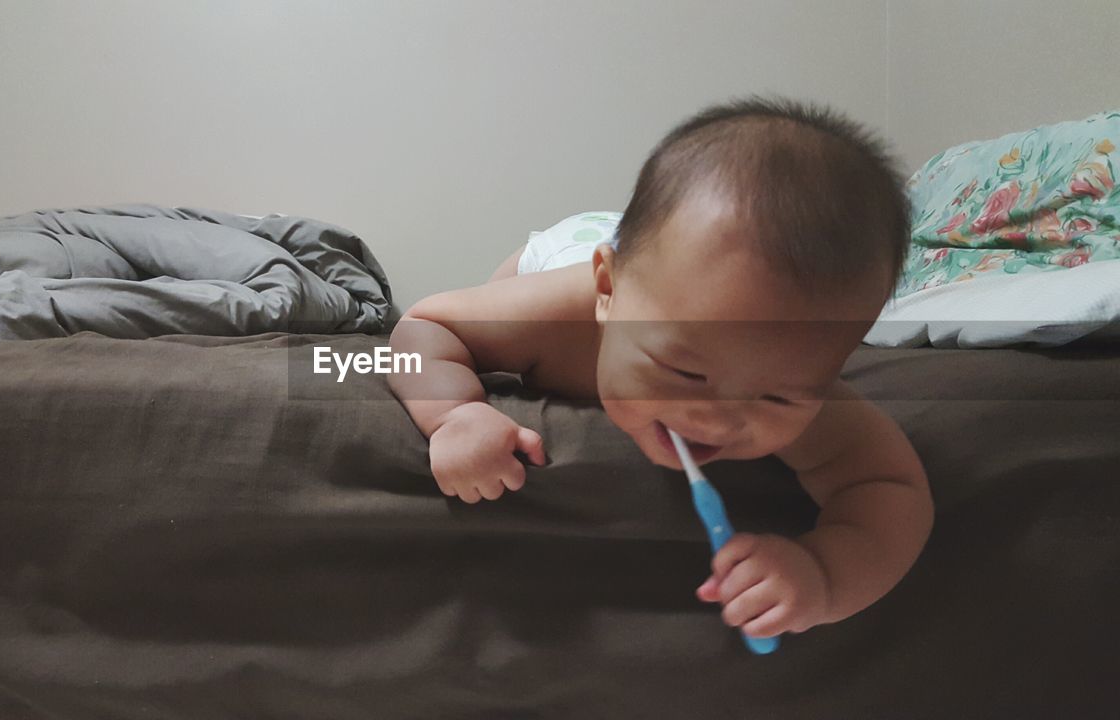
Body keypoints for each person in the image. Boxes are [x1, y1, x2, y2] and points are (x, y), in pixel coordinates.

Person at [387, 96, 933, 640]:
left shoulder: (796, 369)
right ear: (608, 290)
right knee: (494, 304)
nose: (716, 421)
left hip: (646, 267)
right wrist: (455, 413)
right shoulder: (561, 316)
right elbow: (424, 326)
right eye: (685, 372)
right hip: (567, 250)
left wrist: (823, 577)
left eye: (776, 399)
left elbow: (889, 488)